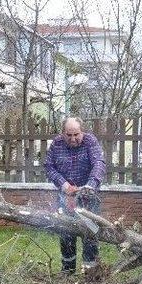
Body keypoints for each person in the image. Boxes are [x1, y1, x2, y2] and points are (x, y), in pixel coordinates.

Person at [45, 117, 106, 274]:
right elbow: (49, 167)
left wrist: (90, 186)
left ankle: (90, 271)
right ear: (62, 133)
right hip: (65, 197)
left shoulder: (90, 142)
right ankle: (68, 270)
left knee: (90, 234)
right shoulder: (56, 144)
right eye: (69, 135)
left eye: (76, 134)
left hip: (88, 197)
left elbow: (99, 163)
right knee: (66, 233)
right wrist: (64, 185)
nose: (73, 138)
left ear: (82, 131)